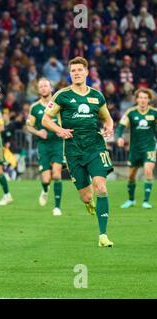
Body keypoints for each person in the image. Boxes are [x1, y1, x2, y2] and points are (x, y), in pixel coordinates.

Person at [42, 56, 114, 248]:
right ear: (70, 73)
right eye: (73, 70)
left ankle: (103, 235)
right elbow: (46, 120)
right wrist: (59, 130)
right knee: (87, 196)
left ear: (87, 72)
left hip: (95, 147)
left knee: (101, 187)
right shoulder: (61, 95)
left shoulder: (97, 96)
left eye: (80, 70)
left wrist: (109, 127)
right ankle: (89, 203)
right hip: (73, 151)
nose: (76, 73)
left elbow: (107, 118)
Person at [26, 78, 64, 216]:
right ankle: (45, 190)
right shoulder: (35, 107)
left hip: (58, 144)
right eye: (40, 86)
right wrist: (38, 132)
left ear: (50, 88)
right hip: (43, 145)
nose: (43, 88)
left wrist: (62, 130)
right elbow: (29, 126)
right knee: (46, 179)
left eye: (45, 86)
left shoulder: (58, 105)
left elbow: (66, 120)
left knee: (57, 174)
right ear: (38, 89)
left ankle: (57, 207)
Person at [116, 88, 156, 209]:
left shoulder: (154, 113)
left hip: (149, 148)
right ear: (137, 99)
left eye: (145, 98)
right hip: (135, 149)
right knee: (131, 176)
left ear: (149, 99)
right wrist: (119, 137)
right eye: (141, 98)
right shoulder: (131, 112)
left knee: (148, 171)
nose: (143, 100)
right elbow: (120, 127)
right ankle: (131, 200)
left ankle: (146, 201)